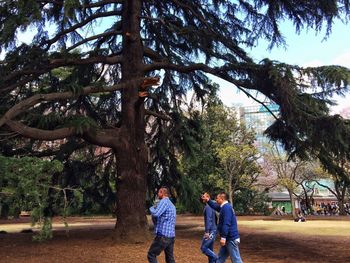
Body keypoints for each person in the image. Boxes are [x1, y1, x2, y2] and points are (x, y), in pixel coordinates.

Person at [202, 192, 243, 263]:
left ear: (222, 199)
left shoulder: (226, 208)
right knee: (220, 259)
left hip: (231, 239)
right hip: (228, 239)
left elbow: (226, 223)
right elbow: (215, 206)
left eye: (217, 198)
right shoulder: (224, 207)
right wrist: (208, 200)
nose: (216, 200)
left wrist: (223, 237)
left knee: (236, 260)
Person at [147, 187, 176, 263]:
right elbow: (157, 220)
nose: (157, 194)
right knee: (170, 258)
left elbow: (156, 213)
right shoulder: (172, 205)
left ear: (163, 193)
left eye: (159, 192)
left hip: (163, 236)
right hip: (171, 236)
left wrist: (152, 208)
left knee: (151, 254)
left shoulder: (164, 201)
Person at [200, 193, 218, 263]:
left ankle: (216, 258)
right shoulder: (213, 204)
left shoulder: (208, 206)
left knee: (203, 248)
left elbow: (209, 219)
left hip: (211, 230)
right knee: (210, 249)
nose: (203, 198)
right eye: (202, 196)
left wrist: (207, 232)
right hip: (214, 229)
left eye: (204, 196)